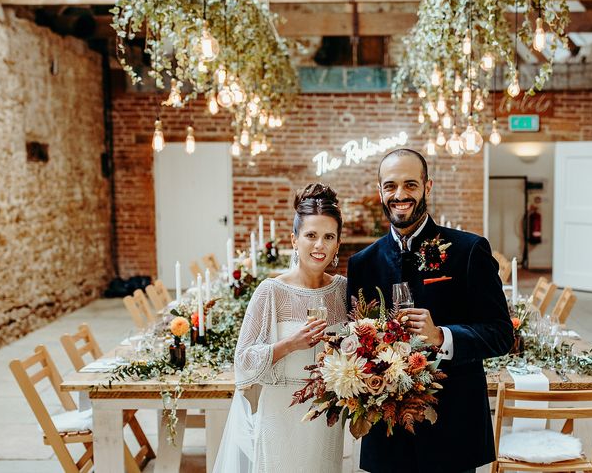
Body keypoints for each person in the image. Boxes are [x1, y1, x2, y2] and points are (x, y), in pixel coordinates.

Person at [346, 148, 513, 473]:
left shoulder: (468, 251)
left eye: (410, 184)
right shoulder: (362, 264)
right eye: (391, 186)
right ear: (380, 191)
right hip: (388, 436)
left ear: (427, 187)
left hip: (452, 431)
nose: (400, 195)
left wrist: (442, 336)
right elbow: (355, 344)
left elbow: (502, 335)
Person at [213, 183, 347, 473]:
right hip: (281, 414)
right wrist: (290, 344)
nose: (319, 245)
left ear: (338, 244)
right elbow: (243, 362)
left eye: (328, 237)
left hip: (328, 418)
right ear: (294, 240)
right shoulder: (270, 292)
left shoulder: (343, 291)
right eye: (310, 235)